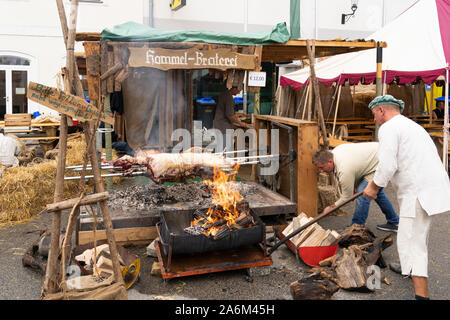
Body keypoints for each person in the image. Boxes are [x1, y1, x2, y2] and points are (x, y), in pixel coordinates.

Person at [363, 94, 450, 300]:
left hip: (417, 192)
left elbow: (387, 165)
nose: (374, 119)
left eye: (374, 114)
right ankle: (408, 268)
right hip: (431, 188)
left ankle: (422, 297)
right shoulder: (412, 126)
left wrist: (373, 186)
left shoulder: (389, 128)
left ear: (381, 110)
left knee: (413, 243)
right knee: (417, 235)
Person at [312, 142, 399, 231]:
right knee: (377, 192)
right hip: (378, 156)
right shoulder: (334, 153)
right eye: (319, 168)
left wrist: (331, 208)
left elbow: (347, 198)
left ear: (330, 161)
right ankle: (394, 222)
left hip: (383, 161)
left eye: (322, 167)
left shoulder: (344, 169)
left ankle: (357, 227)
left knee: (363, 193)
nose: (320, 171)